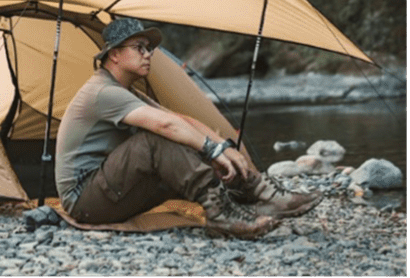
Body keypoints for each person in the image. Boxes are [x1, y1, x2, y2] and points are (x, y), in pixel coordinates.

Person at [55, 17, 321, 239]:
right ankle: (221, 216)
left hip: (110, 192)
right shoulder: (103, 92)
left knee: (184, 135)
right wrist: (212, 150)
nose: (148, 55)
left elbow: (181, 120)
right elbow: (166, 125)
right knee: (156, 139)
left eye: (149, 48)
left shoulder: (124, 90)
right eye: (139, 47)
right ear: (114, 54)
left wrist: (223, 148)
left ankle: (261, 194)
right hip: (84, 201)